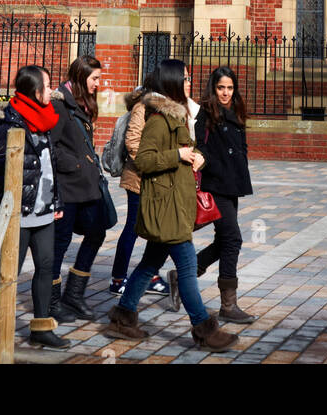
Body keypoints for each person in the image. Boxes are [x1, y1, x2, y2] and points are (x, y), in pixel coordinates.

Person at [107, 58, 238, 351]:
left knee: (150, 263)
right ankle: (204, 330)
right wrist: (177, 156)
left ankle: (122, 317)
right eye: (185, 77)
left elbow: (181, 151)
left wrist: (195, 156)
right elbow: (143, 159)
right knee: (188, 267)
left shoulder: (177, 116)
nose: (190, 82)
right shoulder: (158, 119)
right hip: (166, 207)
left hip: (175, 203)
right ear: (172, 82)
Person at [0, 64, 70, 350]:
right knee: (4, 272)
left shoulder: (45, 118)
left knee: (46, 267)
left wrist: (56, 201)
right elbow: (3, 174)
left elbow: (49, 165)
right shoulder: (10, 124)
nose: (52, 90)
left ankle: (41, 327)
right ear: (34, 90)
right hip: (20, 213)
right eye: (47, 86)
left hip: (44, 210)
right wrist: (11, 209)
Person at [49, 54, 115, 321]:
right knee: (59, 244)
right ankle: (52, 303)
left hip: (87, 186)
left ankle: (74, 296)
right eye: (94, 78)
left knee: (97, 231)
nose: (98, 84)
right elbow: (49, 147)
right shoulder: (59, 106)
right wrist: (75, 164)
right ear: (80, 77)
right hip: (67, 188)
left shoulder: (82, 103)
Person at [194, 66, 256, 323]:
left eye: (230, 88)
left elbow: (240, 147)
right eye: (221, 88)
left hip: (233, 184)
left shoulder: (236, 110)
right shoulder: (205, 114)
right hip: (215, 184)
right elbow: (201, 147)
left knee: (224, 240)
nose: (226, 93)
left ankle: (184, 273)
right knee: (233, 240)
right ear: (214, 88)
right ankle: (228, 306)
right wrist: (207, 163)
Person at [110, 73, 173, 306]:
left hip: (154, 179)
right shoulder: (142, 106)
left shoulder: (163, 106)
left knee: (154, 228)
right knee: (133, 228)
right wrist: (150, 165)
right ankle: (118, 278)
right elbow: (133, 141)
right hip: (139, 178)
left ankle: (151, 274)